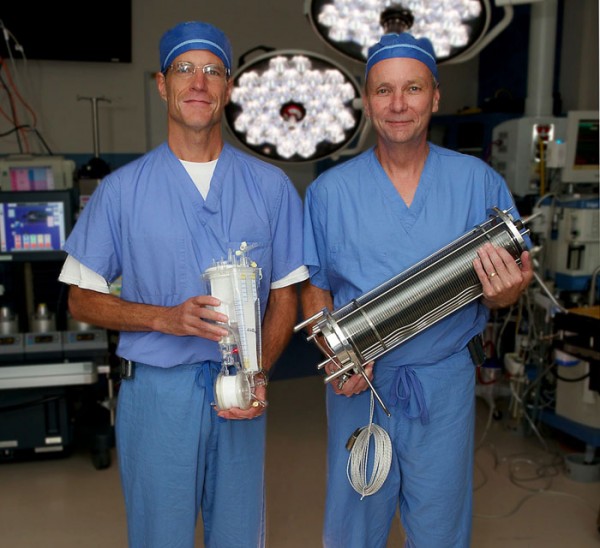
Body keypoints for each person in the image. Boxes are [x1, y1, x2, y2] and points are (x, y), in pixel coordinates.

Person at [58, 21, 307, 548]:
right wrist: (162, 318)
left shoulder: (270, 188)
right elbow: (80, 297)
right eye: (185, 69)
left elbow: (286, 293)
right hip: (157, 393)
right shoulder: (122, 192)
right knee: (159, 537)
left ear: (229, 88)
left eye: (213, 71)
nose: (199, 82)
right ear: (161, 83)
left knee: (240, 535)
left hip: (242, 388)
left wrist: (259, 373)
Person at [300, 32, 534, 548]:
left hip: (443, 382)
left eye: (413, 89)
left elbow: (519, 273)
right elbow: (314, 289)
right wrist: (337, 358)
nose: (398, 104)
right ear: (367, 101)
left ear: (435, 96)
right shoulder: (329, 193)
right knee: (354, 526)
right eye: (384, 91)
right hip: (360, 384)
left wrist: (502, 293)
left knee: (439, 527)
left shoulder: (478, 182)